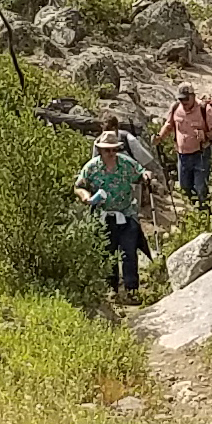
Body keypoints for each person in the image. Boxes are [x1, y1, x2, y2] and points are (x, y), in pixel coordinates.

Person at [73, 125, 154, 299]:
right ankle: (112, 289)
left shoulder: (126, 164)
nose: (111, 153)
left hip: (126, 214)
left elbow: (141, 173)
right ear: (100, 151)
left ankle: (132, 290)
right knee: (108, 253)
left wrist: (146, 176)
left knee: (129, 252)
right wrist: (86, 197)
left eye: (113, 150)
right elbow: (78, 186)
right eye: (107, 150)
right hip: (103, 217)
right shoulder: (92, 167)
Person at [159, 83, 212, 206]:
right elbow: (169, 125)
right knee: (184, 186)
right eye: (181, 99)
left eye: (186, 99)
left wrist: (206, 135)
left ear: (193, 96)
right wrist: (159, 137)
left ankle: (205, 213)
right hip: (182, 155)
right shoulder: (176, 108)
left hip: (201, 155)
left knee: (200, 187)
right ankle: (194, 211)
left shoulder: (205, 109)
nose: (184, 102)